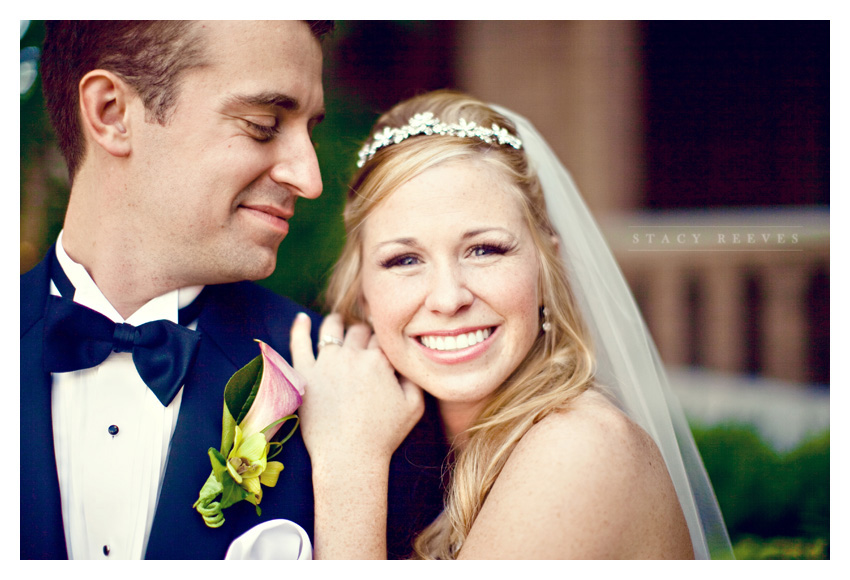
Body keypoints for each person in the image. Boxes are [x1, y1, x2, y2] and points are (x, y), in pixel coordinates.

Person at [20, 21, 446, 560]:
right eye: (264, 124)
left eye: (309, 130)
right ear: (112, 112)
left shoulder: (364, 398)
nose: (310, 179)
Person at [290, 90, 734, 559]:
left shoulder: (580, 448)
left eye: (485, 250)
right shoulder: (418, 450)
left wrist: (351, 467)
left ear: (547, 266)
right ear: (363, 290)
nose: (448, 298)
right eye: (404, 259)